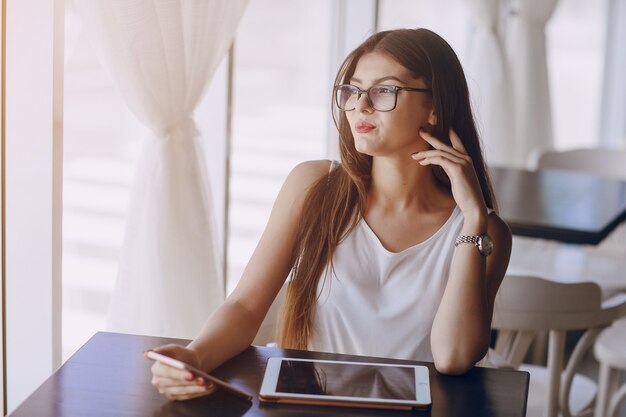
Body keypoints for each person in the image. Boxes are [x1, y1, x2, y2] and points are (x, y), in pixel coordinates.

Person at [149, 28, 512, 401]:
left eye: (384, 90)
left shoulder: (483, 232)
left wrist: (471, 218)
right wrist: (194, 356)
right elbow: (245, 305)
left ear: (434, 106)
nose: (361, 106)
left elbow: (453, 357)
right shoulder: (314, 186)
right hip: (307, 406)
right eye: (352, 90)